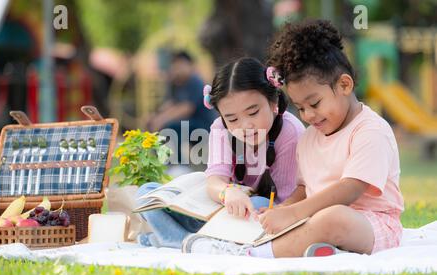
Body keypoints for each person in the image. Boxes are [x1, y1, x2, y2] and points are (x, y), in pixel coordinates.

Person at [183, 20, 404, 258]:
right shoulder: (310, 137)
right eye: (300, 108)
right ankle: (312, 249)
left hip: (371, 224)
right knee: (295, 219)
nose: (308, 115)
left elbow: (350, 188)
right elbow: (302, 188)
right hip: (315, 218)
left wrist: (294, 213)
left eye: (315, 103)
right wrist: (282, 211)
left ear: (344, 84)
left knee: (334, 218)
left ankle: (250, 254)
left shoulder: (370, 130)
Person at [136, 57, 305, 252]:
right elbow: (215, 180)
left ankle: (175, 240)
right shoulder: (220, 128)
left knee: (258, 202)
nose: (244, 125)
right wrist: (227, 192)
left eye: (253, 113)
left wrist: (247, 205)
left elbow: (283, 202)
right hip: (218, 211)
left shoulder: (290, 132)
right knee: (146, 193)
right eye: (232, 118)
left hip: (256, 216)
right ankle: (194, 242)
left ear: (273, 101)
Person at [147, 50, 217, 165]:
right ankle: (158, 163)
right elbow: (170, 104)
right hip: (188, 123)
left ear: (190, 65)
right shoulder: (175, 83)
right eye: (175, 65)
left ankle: (177, 165)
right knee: (153, 124)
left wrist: (162, 119)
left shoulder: (195, 81)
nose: (177, 68)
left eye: (181, 64)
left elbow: (187, 108)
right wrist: (155, 117)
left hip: (203, 125)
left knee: (171, 127)